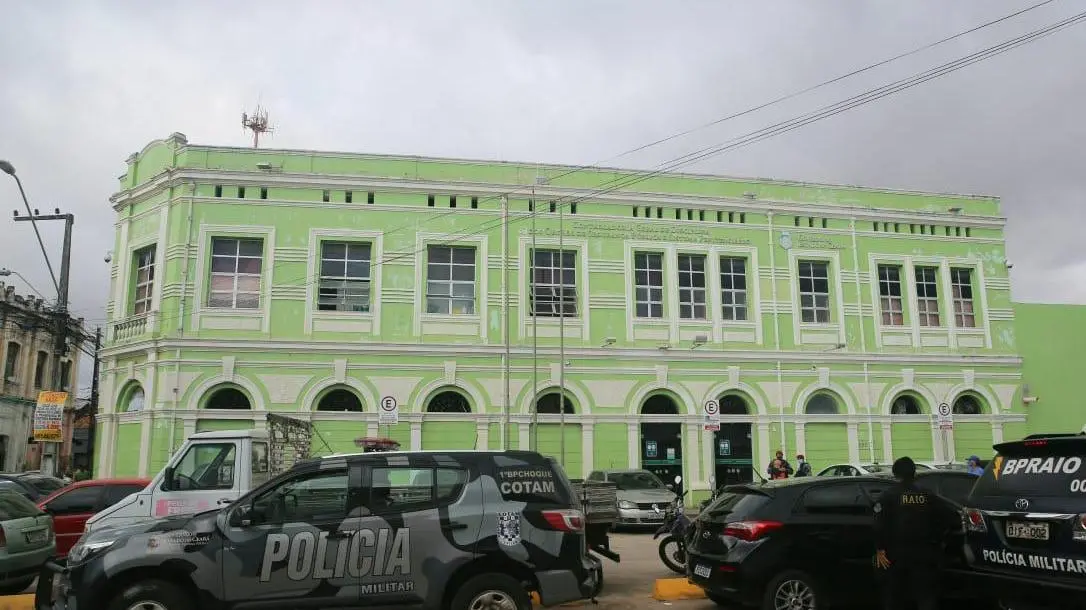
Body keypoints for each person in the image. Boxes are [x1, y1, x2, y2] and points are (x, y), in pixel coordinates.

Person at [874, 456, 961, 610]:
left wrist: (880, 549)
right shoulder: (928, 495)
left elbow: (880, 525)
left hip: (895, 554)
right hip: (924, 552)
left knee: (894, 595)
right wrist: (938, 539)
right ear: (914, 473)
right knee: (925, 595)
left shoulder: (888, 496)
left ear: (895, 473)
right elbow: (947, 517)